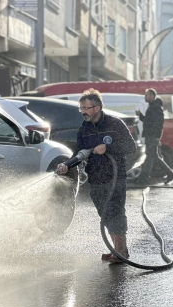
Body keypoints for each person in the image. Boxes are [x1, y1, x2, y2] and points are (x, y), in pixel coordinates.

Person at [56, 88, 137, 264]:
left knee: (116, 211)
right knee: (105, 213)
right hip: (96, 177)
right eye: (81, 108)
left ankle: (121, 251)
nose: (83, 112)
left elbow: (131, 147)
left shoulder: (115, 124)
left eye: (86, 108)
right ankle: (116, 249)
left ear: (97, 108)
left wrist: (108, 148)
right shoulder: (84, 129)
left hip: (115, 176)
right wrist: (66, 165)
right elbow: (79, 153)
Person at [132, 88, 173, 184]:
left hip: (152, 136)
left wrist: (155, 135)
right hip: (151, 135)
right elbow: (148, 121)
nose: (145, 97)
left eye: (147, 95)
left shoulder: (155, 108)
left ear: (152, 96)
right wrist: (140, 116)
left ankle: (170, 174)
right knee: (151, 156)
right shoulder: (152, 107)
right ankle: (143, 179)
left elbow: (158, 124)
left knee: (153, 156)